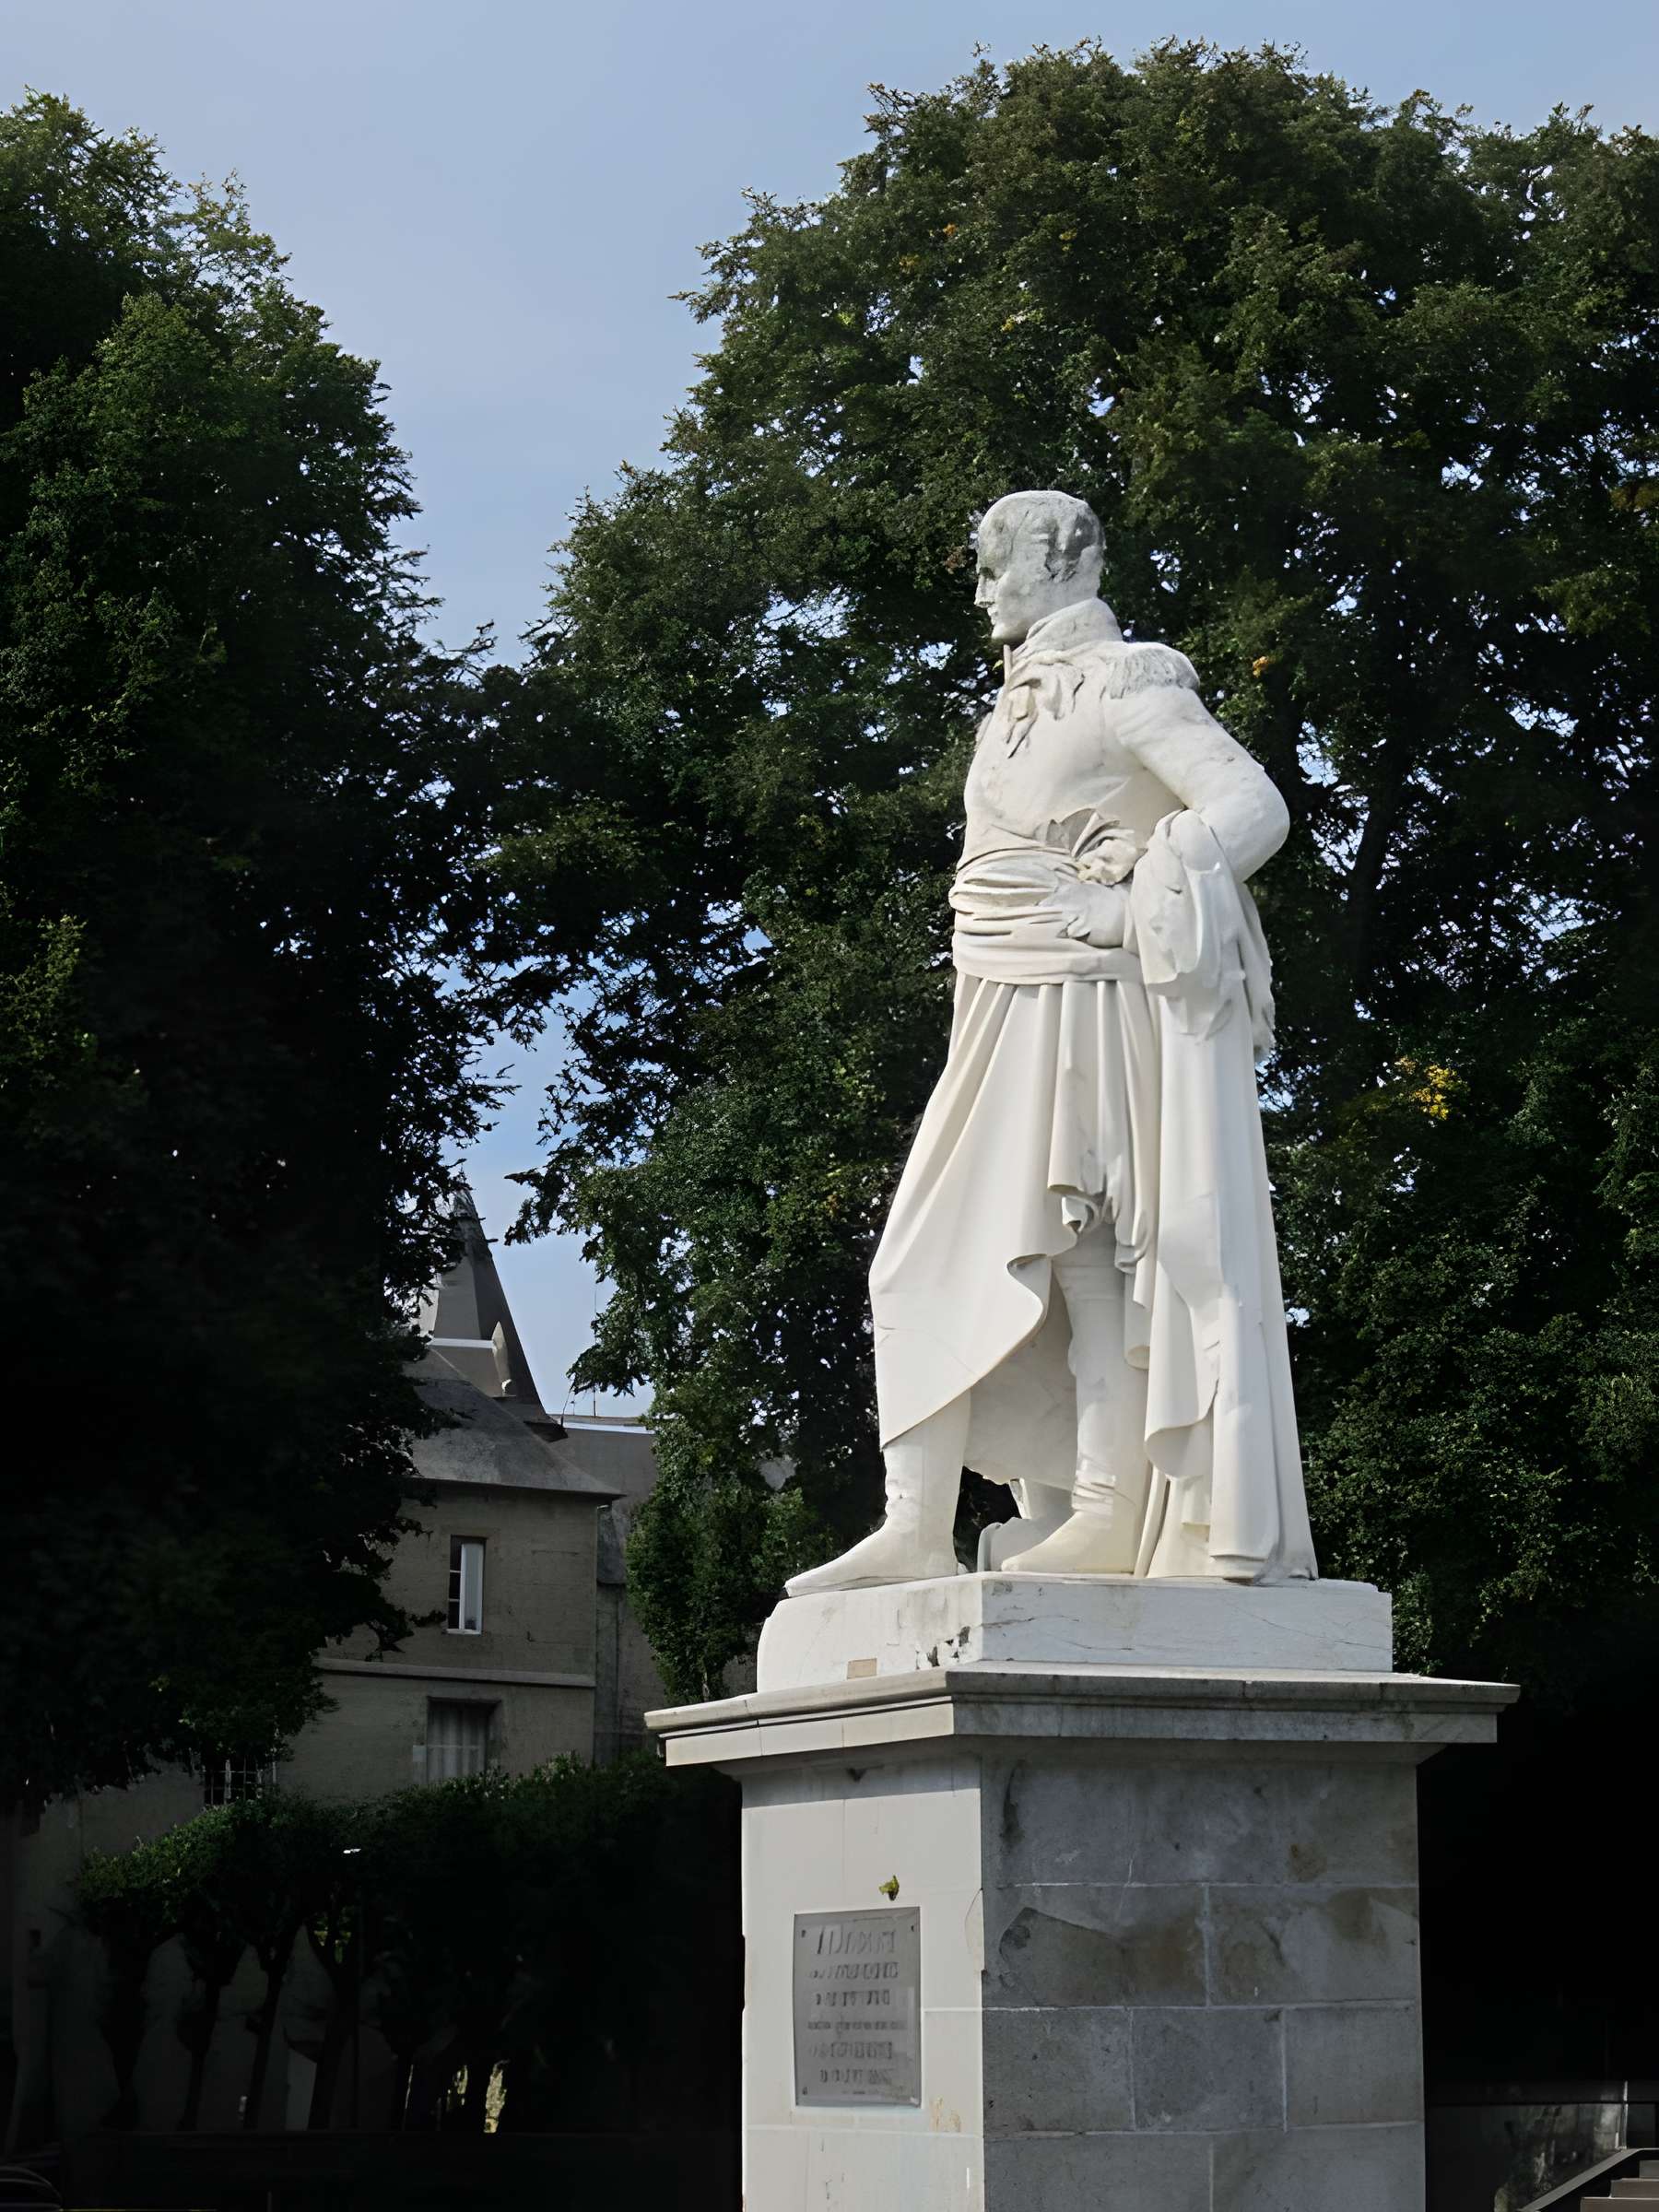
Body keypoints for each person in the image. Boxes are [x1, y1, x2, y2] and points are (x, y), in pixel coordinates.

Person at [787, 489, 1316, 1595]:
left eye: (993, 566)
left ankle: (1107, 1510)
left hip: (1084, 1002)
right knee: (923, 1255)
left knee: (1093, 1257)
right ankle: (917, 1526)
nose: (982, 590)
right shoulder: (1017, 703)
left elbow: (1251, 808)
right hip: (998, 1001)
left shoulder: (1127, 682)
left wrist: (1135, 906)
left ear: (1058, 558)